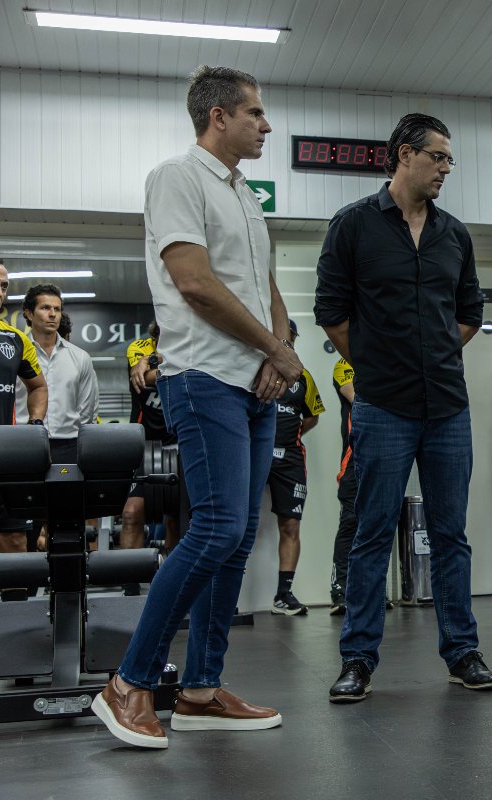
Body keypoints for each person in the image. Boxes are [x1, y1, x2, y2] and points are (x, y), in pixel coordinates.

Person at [92, 66, 300, 749]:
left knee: (237, 537)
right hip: (202, 375)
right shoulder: (176, 178)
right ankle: (129, 682)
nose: (266, 125)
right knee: (212, 529)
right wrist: (275, 348)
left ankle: (202, 689)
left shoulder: (244, 194)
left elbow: (263, 281)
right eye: (255, 114)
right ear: (218, 116)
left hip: (253, 383)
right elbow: (195, 284)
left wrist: (279, 348)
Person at [316, 112, 492, 701]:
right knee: (372, 532)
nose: (446, 168)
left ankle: (462, 651)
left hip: (447, 404)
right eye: (438, 157)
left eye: (449, 160)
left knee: (451, 534)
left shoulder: (455, 234)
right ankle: (358, 659)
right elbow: (331, 311)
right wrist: (376, 363)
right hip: (383, 406)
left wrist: (436, 353)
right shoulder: (353, 226)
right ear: (403, 155)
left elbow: (469, 312)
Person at [0, 256, 48, 592]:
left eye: (3, 286)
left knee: (14, 541)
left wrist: (35, 423)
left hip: (0, 459)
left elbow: (38, 386)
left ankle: (20, 634)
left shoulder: (15, 339)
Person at [267, 320, 325, 615]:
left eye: (291, 338)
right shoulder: (254, 369)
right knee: (239, 523)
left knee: (290, 524)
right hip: (254, 453)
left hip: (290, 458)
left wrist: (294, 431)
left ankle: (283, 595)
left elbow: (313, 415)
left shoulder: (303, 377)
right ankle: (226, 595)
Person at [121, 322, 181, 594]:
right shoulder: (139, 348)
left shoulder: (181, 349)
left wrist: (155, 363)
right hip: (142, 443)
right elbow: (143, 379)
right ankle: (130, 586)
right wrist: (159, 362)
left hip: (178, 443)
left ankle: (172, 584)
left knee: (175, 518)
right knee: (132, 513)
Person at [14, 284, 99, 467]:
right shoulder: (15, 356)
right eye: (45, 308)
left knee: (67, 496)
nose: (53, 314)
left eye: (57, 309)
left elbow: (87, 412)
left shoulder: (81, 357)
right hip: (23, 443)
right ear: (29, 314)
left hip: (69, 446)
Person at [328, 355, 356, 615]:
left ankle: (370, 590)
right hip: (353, 461)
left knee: (377, 525)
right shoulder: (344, 364)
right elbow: (355, 396)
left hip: (383, 460)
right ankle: (340, 589)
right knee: (350, 523)